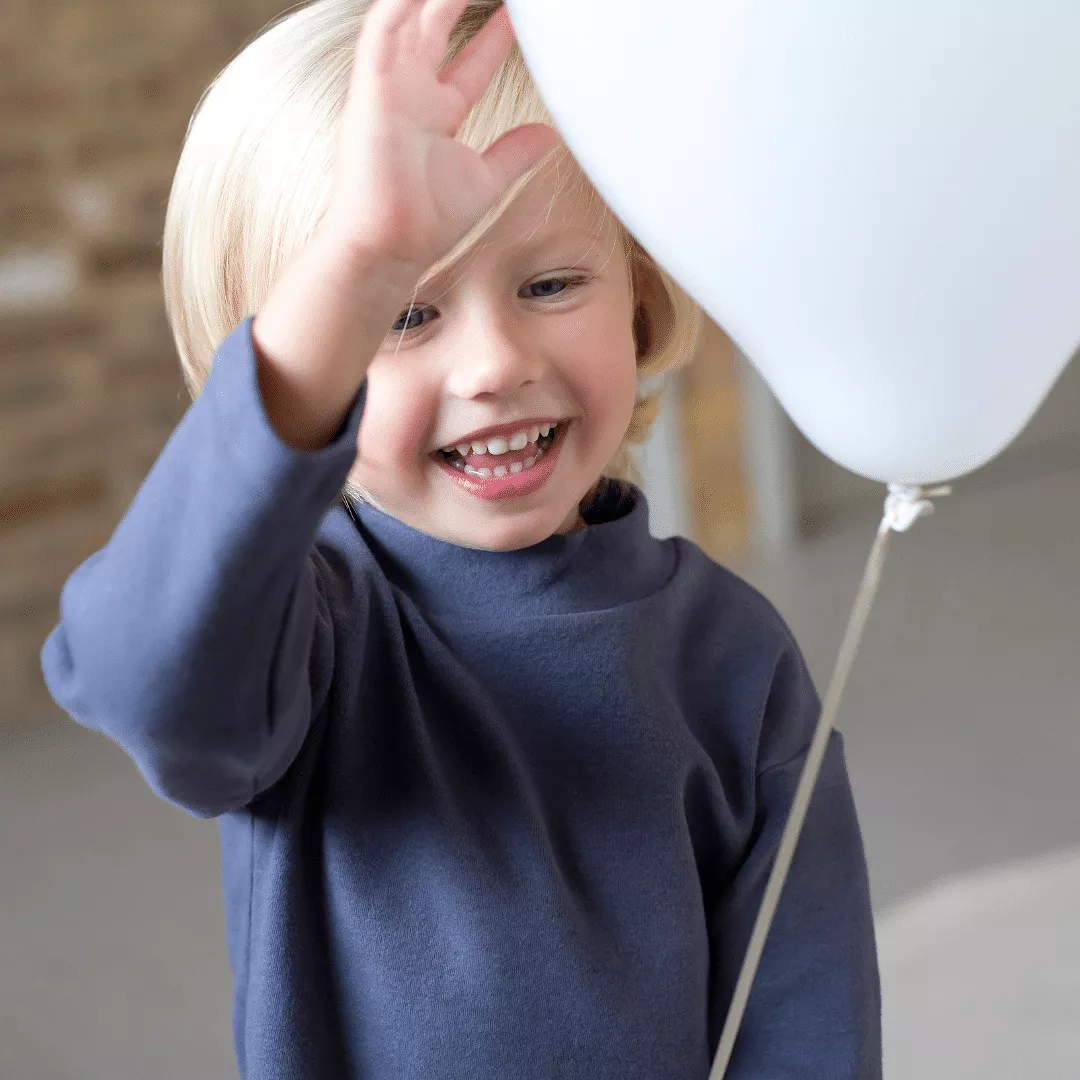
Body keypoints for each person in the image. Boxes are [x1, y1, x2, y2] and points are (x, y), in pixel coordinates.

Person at [40, 0, 882, 1076]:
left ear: (637, 294)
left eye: (551, 284)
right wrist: (358, 257)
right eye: (400, 316)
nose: (492, 363)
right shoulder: (308, 634)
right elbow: (136, 671)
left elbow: (810, 1015)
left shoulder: (734, 654)